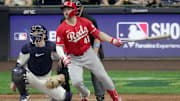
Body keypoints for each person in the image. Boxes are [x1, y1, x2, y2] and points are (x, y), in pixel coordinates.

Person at [56, 1, 123, 101]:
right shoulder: (61, 28)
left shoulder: (85, 21)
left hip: (88, 53)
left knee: (103, 77)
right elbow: (59, 46)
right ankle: (85, 93)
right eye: (64, 10)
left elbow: (98, 34)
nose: (65, 12)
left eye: (68, 9)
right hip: (73, 57)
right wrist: (63, 57)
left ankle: (115, 96)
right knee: (76, 82)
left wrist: (112, 40)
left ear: (74, 10)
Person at [10, 24, 72, 101]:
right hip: (31, 78)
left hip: (47, 81)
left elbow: (65, 57)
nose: (35, 34)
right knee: (17, 72)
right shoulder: (27, 48)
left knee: (66, 97)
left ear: (44, 35)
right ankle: (24, 95)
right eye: (34, 32)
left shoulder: (51, 47)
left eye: (38, 32)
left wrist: (62, 70)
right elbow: (19, 65)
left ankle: (52, 96)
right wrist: (13, 81)